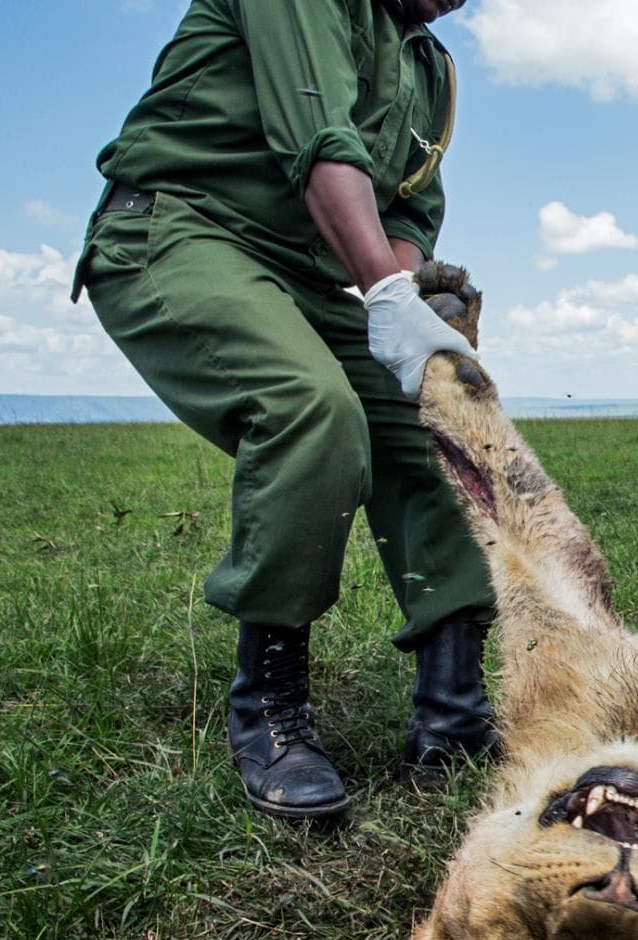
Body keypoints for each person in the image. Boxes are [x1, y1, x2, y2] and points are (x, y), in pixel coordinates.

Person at [74, 0, 498, 819]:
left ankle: (452, 714)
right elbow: (321, 144)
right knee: (311, 408)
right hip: (180, 227)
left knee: (440, 426)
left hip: (303, 276)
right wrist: (382, 289)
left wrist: (402, 308)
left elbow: (407, 207)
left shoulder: (429, 70)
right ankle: (268, 710)